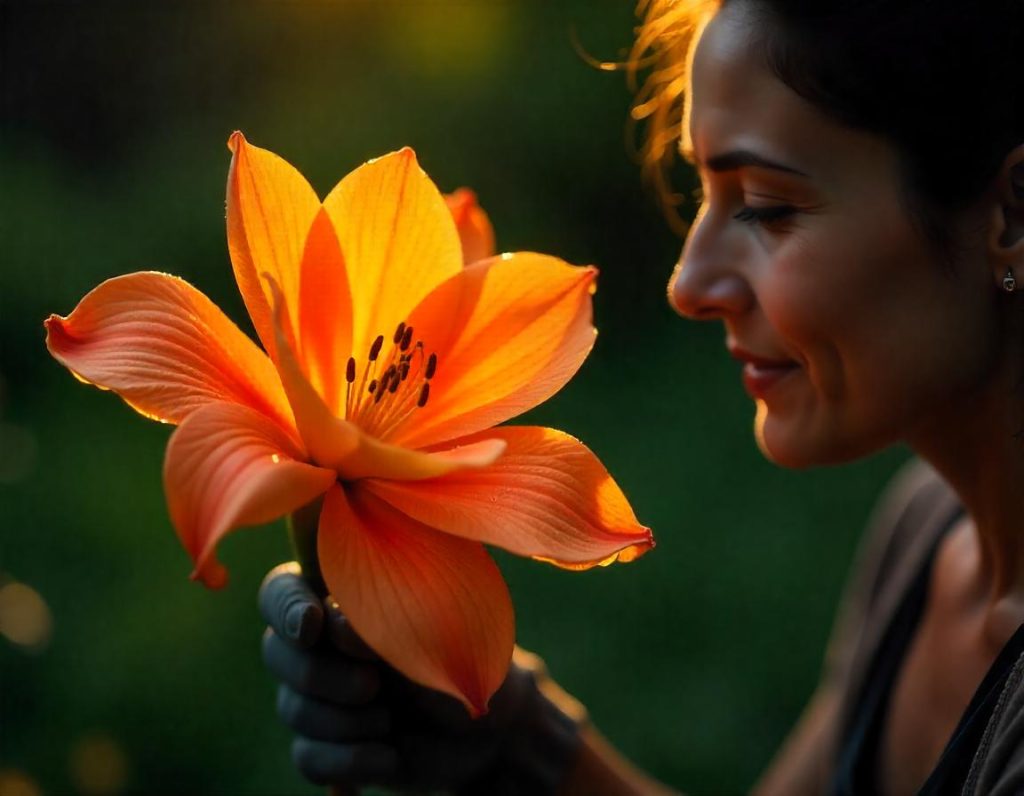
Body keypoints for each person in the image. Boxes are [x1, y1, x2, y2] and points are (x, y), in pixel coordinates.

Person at [258, 0, 1024, 792]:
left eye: (767, 207)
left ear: (1012, 210)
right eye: (702, 196)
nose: (686, 285)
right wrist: (512, 737)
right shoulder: (926, 532)